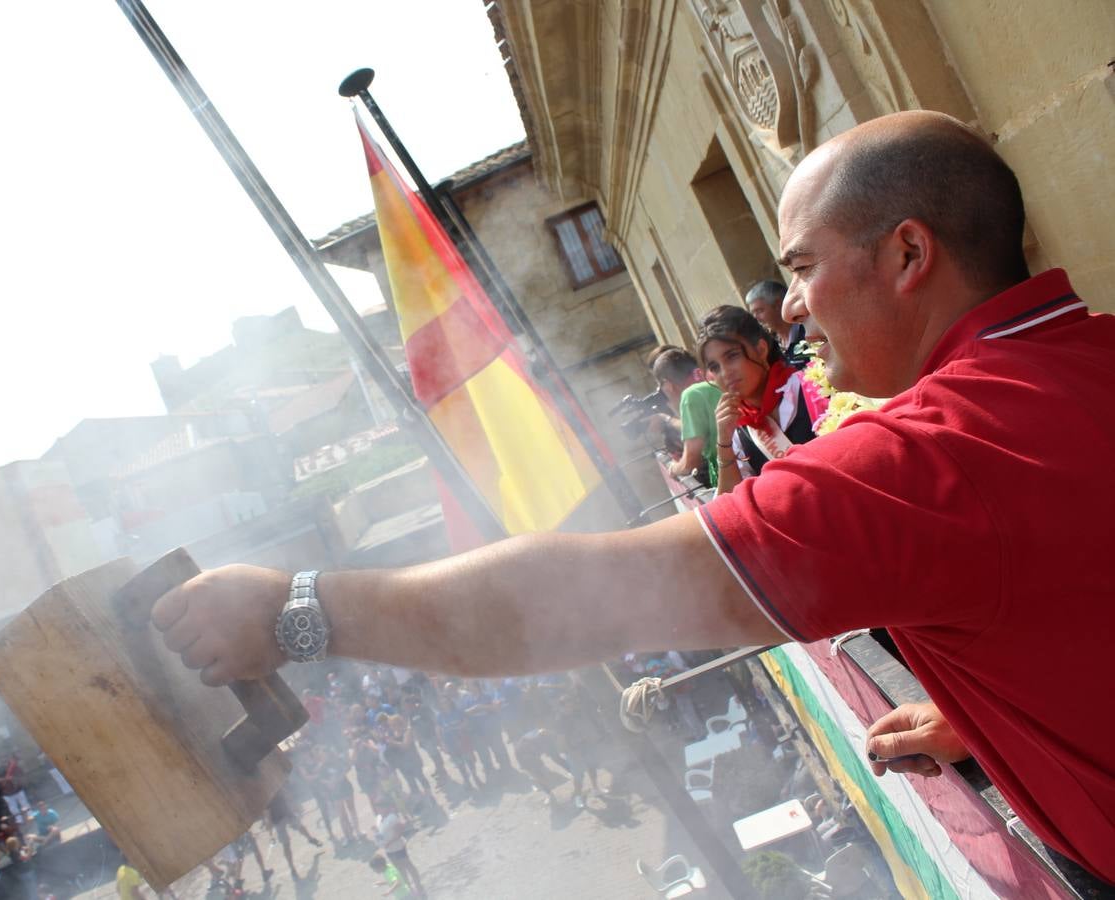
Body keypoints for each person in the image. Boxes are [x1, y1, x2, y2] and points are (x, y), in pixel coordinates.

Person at [148, 111, 1115, 885]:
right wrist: (986, 707)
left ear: (909, 255)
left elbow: (584, 601)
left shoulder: (917, 463)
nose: (787, 308)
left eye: (804, 268)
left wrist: (296, 612)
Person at [700, 304, 827, 494]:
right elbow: (732, 505)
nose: (725, 373)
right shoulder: (739, 433)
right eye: (715, 367)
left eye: (732, 356)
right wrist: (724, 442)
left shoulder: (814, 387)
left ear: (760, 350)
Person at [650, 345, 724, 487]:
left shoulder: (690, 395)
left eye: (661, 387)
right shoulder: (710, 379)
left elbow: (690, 462)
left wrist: (673, 467)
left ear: (667, 384)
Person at [372, 799, 426, 898]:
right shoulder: (379, 818)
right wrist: (376, 833)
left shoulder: (392, 817)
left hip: (398, 847)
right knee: (399, 870)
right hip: (388, 850)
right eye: (377, 808)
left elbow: (399, 832)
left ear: (386, 807)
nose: (378, 810)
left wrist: (389, 842)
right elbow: (381, 833)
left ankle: (419, 886)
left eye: (380, 807)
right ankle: (409, 888)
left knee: (408, 866)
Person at [745, 279, 805, 353]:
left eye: (759, 311)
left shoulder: (809, 333)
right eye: (753, 313)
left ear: (778, 305)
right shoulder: (770, 346)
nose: (756, 318)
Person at [0, 753, 30, 824]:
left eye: (5, 758)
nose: (4, 760)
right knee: (13, 809)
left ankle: (30, 816)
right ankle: (19, 820)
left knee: (25, 804)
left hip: (18, 790)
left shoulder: (15, 767)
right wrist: (5, 779)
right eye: (2, 759)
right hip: (7, 793)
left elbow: (21, 776)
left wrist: (13, 778)